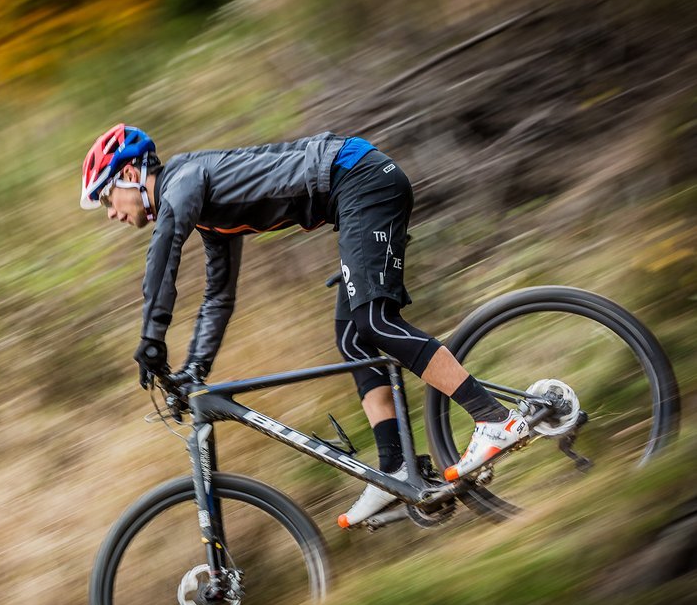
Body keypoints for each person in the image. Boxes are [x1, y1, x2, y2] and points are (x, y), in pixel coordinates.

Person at [79, 124, 530, 527]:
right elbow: (219, 297)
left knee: (373, 322)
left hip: (363, 180)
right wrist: (194, 368)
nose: (111, 213)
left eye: (106, 197)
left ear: (133, 175)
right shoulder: (204, 212)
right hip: (355, 192)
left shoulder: (183, 182)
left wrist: (151, 338)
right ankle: (393, 468)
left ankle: (495, 418)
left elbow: (164, 252)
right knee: (353, 337)